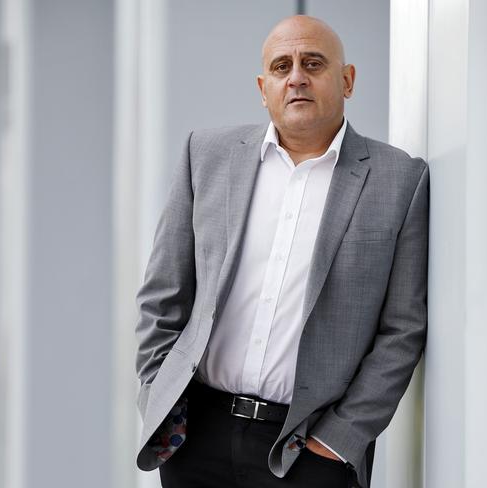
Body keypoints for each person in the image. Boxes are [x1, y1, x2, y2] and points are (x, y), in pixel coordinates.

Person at [134, 14, 429, 488]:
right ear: (263, 86)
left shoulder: (400, 181)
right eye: (281, 66)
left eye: (313, 63)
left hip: (309, 451)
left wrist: (341, 439)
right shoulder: (206, 156)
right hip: (197, 438)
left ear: (347, 80)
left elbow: (403, 329)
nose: (296, 77)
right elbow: (162, 295)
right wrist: (158, 395)